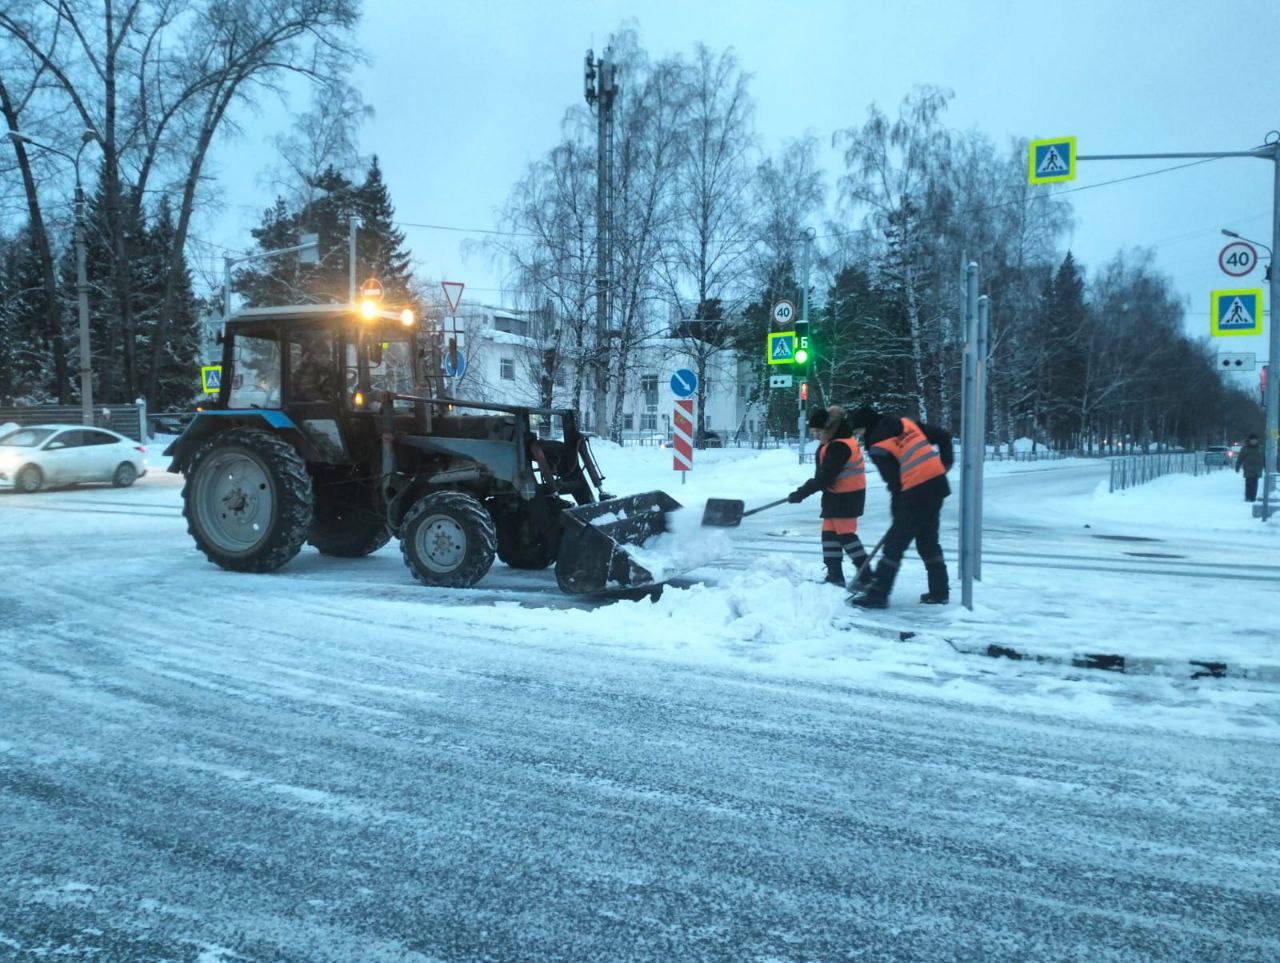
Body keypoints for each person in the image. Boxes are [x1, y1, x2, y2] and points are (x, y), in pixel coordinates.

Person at [845, 406, 954, 609]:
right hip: (937, 487)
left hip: (915, 492)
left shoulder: (877, 444)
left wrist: (898, 513)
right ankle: (939, 592)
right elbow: (942, 436)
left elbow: (894, 483)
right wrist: (944, 465)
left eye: (858, 431)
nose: (858, 436)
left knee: (894, 545)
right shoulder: (905, 423)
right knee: (928, 542)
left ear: (864, 428)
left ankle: (878, 595)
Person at [787, 405, 871, 589]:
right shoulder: (831, 443)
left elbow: (825, 477)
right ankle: (835, 576)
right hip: (836, 496)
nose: (815, 435)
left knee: (847, 536)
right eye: (813, 431)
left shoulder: (840, 446)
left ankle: (867, 577)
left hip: (847, 497)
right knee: (829, 536)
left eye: (817, 431)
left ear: (828, 429)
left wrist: (801, 493)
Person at [1235, 433, 1264, 502]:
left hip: (1257, 469)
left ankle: (1253, 497)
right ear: (1250, 440)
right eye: (1252, 440)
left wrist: (1266, 467)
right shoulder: (1245, 448)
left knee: (1255, 484)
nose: (1254, 441)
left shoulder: (1260, 448)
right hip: (1248, 469)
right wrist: (1237, 466)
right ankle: (1248, 497)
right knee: (1249, 483)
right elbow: (1240, 458)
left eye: (1255, 440)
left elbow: (1264, 458)